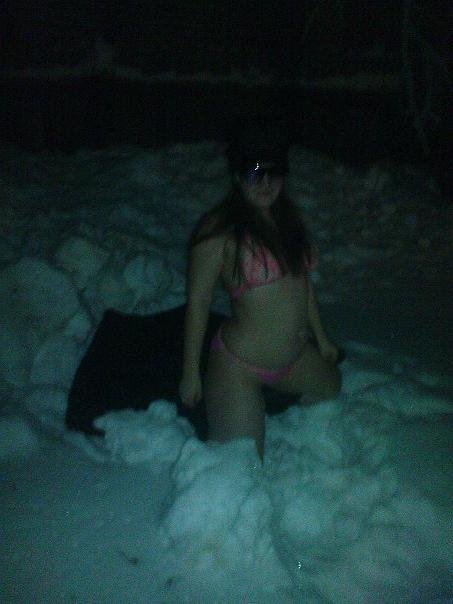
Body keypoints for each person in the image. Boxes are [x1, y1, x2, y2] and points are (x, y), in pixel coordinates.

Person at [179, 118, 341, 461]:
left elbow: (302, 286)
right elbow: (198, 302)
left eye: (274, 173)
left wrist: (322, 338)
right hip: (241, 365)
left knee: (332, 387)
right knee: (244, 465)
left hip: (293, 358)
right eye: (255, 173)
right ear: (237, 177)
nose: (266, 183)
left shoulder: (287, 220)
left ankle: (269, 402)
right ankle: (241, 401)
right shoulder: (217, 230)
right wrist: (191, 373)